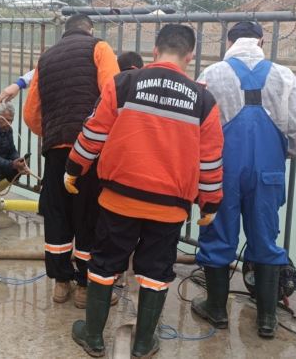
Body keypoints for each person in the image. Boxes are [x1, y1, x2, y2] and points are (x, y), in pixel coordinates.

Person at [66, 24, 224, 358]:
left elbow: (92, 133)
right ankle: (143, 343)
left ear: (155, 50)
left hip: (118, 200)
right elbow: (210, 162)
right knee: (155, 272)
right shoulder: (203, 100)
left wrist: (74, 169)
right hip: (169, 208)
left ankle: (93, 336)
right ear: (190, 55)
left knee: (105, 263)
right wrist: (209, 204)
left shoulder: (122, 84)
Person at [192, 21, 296, 338]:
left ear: (229, 42)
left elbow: (195, 126)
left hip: (222, 168)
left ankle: (217, 310)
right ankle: (266, 319)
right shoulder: (284, 75)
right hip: (268, 170)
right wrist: (285, 152)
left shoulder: (210, 74)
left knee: (218, 233)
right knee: (264, 238)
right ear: (262, 41)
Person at [23, 14, 120, 308]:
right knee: (89, 217)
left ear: (64, 32)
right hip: (90, 151)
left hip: (56, 150)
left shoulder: (46, 59)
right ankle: (85, 286)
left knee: (58, 215)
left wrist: (52, 132)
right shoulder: (100, 48)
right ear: (89, 30)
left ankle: (60, 283)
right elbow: (112, 94)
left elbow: (31, 113)